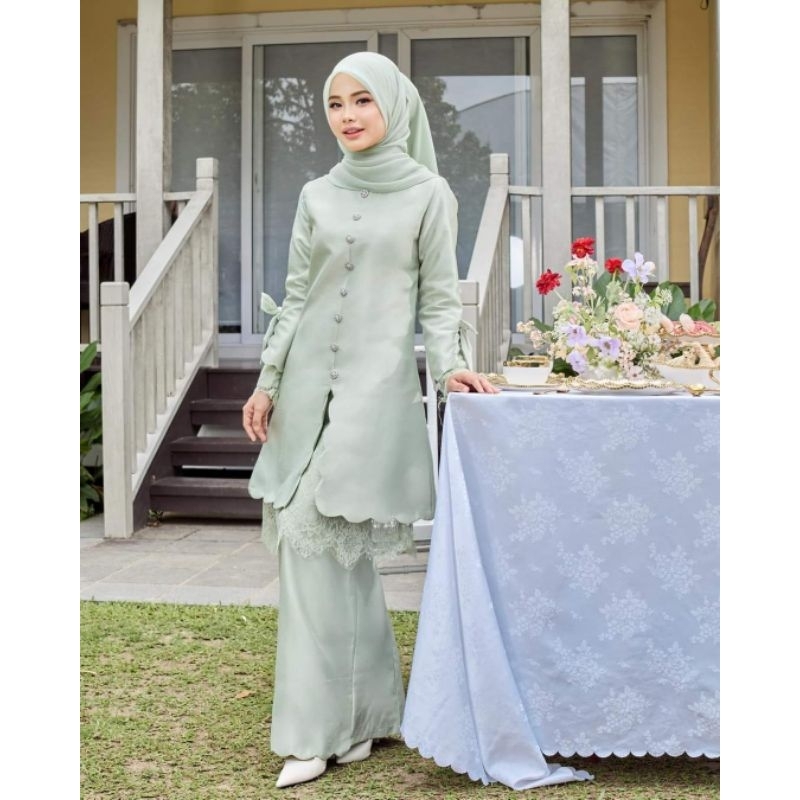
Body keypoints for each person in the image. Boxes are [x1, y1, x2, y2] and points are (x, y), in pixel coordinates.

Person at [241, 50, 499, 790]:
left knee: (318, 548)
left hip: (371, 398)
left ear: (393, 106)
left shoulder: (428, 194)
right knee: (332, 558)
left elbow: (439, 297)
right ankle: (366, 718)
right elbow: (297, 295)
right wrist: (267, 380)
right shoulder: (316, 194)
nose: (347, 116)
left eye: (362, 100)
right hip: (302, 399)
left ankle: (314, 732)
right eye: (335, 103)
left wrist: (449, 366)